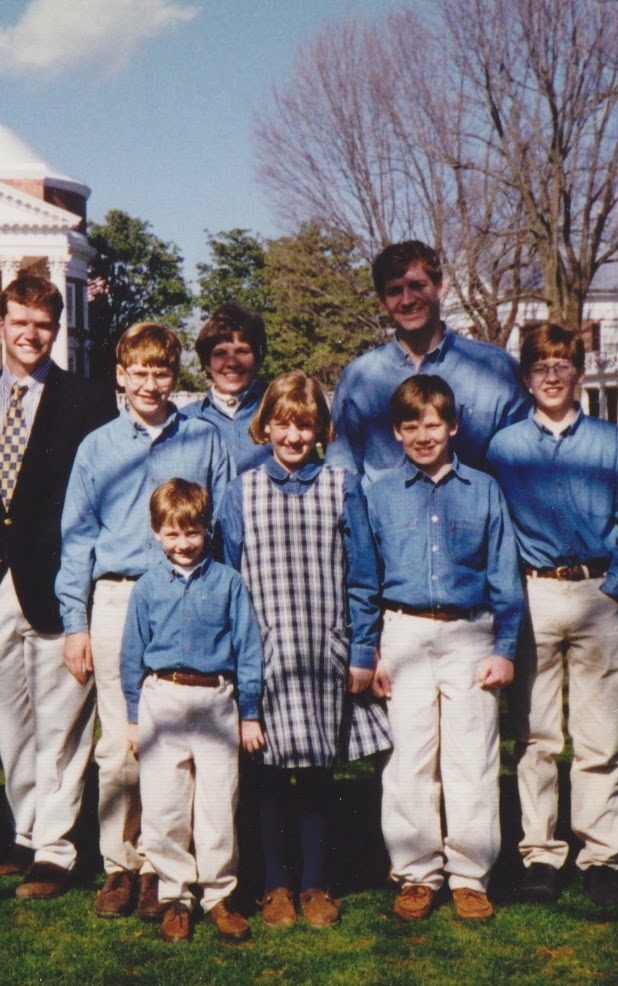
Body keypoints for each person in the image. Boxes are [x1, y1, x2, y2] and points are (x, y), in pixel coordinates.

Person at [0, 275, 116, 899]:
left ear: (57, 329)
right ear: (1, 325)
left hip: (56, 586)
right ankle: (25, 832)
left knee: (62, 724)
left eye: (42, 325)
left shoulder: (88, 401)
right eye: (19, 321)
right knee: (9, 724)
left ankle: (56, 848)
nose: (30, 334)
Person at [56, 321, 232, 921]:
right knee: (122, 742)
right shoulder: (98, 447)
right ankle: (121, 864)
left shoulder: (204, 439)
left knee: (179, 741)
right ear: (121, 374)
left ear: (175, 375)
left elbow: (224, 526)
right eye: (140, 372)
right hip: (119, 596)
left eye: (162, 372)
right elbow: (77, 539)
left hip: (188, 592)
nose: (151, 384)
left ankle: (164, 868)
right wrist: (75, 622)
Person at [485, 323, 618, 909]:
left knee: (599, 736)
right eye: (540, 367)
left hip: (596, 593)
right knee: (535, 735)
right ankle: (540, 854)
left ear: (580, 374)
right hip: (533, 596)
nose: (552, 377)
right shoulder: (506, 448)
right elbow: (495, 528)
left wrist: (616, 587)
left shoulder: (611, 444)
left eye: (562, 365)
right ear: (526, 377)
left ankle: (602, 856)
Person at [345, 374, 523, 924]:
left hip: (470, 634)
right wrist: (367, 651)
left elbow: (504, 573)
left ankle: (470, 876)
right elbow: (363, 580)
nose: (423, 436)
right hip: (403, 634)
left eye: (433, 425)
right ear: (397, 433)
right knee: (409, 760)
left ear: (453, 427)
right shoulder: (377, 493)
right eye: (411, 426)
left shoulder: (483, 490)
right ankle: (417, 873)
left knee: (471, 758)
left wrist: (505, 647)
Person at [217, 370, 392, 929]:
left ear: (320, 430)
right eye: (283, 423)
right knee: (268, 774)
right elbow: (228, 578)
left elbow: (363, 576)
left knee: (317, 773)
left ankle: (316, 884)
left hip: (323, 650)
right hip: (265, 652)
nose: (293, 436)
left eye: (305, 425)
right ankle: (275, 886)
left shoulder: (342, 486)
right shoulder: (241, 490)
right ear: (265, 426)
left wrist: (361, 650)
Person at [121, 479, 264, 943]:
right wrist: (132, 718)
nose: (183, 544)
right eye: (172, 534)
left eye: (192, 533)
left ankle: (219, 895)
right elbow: (131, 656)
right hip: (162, 701)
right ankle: (175, 897)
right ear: (156, 533)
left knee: (218, 804)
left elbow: (248, 649)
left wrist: (249, 713)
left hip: (215, 703)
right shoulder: (146, 588)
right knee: (165, 806)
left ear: (206, 531)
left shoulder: (228, 583)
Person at [328, 241, 529, 479]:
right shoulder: (359, 378)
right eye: (394, 291)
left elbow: (523, 466)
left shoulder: (495, 369)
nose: (407, 300)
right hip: (381, 503)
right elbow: (341, 472)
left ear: (440, 287)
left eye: (417, 286)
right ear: (382, 302)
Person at [178, 302, 272, 474]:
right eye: (220, 353)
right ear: (207, 364)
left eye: (242, 351)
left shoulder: (279, 409)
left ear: (257, 359)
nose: (232, 363)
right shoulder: (184, 421)